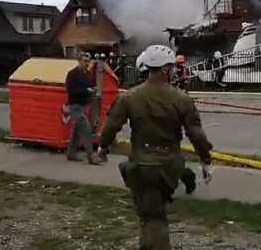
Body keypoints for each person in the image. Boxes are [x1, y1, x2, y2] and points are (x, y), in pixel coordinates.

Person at [96, 45, 213, 249]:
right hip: (170, 165)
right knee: (154, 214)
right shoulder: (182, 98)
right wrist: (205, 160)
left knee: (152, 218)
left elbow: (110, 126)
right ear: (166, 69)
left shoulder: (130, 97)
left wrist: (103, 149)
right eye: (172, 67)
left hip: (143, 165)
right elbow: (196, 134)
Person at [65, 52, 101, 165]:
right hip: (75, 105)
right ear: (79, 61)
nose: (87, 63)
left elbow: (89, 86)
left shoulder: (87, 74)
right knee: (86, 130)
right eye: (85, 61)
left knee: (77, 131)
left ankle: (71, 153)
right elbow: (71, 90)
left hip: (84, 105)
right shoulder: (72, 74)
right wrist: (86, 90)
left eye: (88, 61)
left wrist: (92, 90)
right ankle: (91, 156)